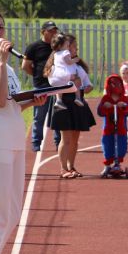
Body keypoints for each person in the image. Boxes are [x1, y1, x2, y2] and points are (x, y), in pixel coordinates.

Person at [0, 9, 47, 254]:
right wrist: (0, 61)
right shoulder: (0, 65)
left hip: (14, 141)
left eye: (1, 27)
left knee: (11, 212)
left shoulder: (9, 69)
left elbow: (11, 105)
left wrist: (33, 102)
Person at [44, 34, 96, 178]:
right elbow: (54, 83)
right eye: (73, 46)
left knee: (74, 139)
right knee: (65, 138)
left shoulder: (78, 66)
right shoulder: (56, 64)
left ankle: (71, 167)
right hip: (64, 103)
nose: (75, 49)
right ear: (65, 47)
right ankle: (63, 169)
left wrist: (87, 88)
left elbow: (88, 84)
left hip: (78, 102)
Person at [22, 21, 60, 151]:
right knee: (39, 116)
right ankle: (36, 143)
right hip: (41, 87)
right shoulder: (34, 47)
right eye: (51, 31)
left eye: (55, 30)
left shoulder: (58, 47)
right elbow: (25, 66)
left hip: (57, 87)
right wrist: (37, 75)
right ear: (43, 31)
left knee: (57, 116)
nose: (54, 33)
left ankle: (58, 142)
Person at [97, 74, 128, 174]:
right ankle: (108, 165)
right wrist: (105, 106)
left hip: (121, 128)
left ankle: (118, 164)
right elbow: (99, 112)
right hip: (108, 128)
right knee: (107, 145)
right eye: (113, 84)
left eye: (118, 84)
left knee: (121, 146)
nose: (116, 87)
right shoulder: (105, 98)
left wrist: (124, 105)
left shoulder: (124, 99)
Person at [49, 33, 89, 110]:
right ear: (61, 46)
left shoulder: (56, 54)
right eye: (67, 46)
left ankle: (58, 100)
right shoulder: (65, 52)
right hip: (66, 75)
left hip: (57, 75)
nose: (76, 49)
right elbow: (68, 61)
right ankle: (78, 97)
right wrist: (75, 60)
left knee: (59, 86)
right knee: (77, 80)